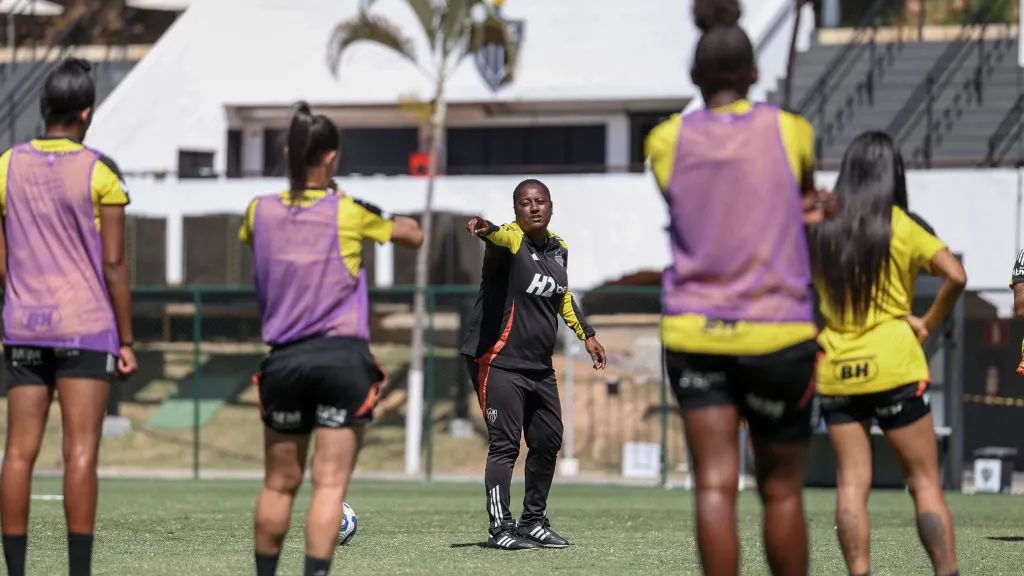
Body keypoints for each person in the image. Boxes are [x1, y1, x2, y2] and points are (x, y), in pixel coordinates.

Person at [644, 0, 835, 574]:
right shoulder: (792, 129)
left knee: (715, 484)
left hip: (696, 331)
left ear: (694, 76)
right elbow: (801, 201)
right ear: (754, 73)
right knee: (780, 491)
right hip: (779, 332)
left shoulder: (664, 141)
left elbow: (696, 208)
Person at [241, 102, 423, 576]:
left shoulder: (258, 212)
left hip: (284, 363)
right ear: (331, 158)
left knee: (279, 485)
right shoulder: (347, 212)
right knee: (328, 486)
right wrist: (359, 207)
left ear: (288, 152)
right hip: (343, 360)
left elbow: (259, 237)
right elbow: (412, 234)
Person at [0, 58, 137, 576]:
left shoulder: (5, 166)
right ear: (86, 113)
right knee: (79, 453)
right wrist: (126, 339)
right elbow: (115, 262)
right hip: (86, 328)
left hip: (24, 326)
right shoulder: (102, 171)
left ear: (43, 108)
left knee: (18, 453)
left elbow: (3, 258)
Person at [808, 131, 966, 576]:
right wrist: (927, 322)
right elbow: (956, 276)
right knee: (924, 483)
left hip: (838, 367)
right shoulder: (900, 223)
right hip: (895, 363)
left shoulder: (821, 229)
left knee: (851, 486)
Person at [460, 178, 606, 551]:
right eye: (525, 202)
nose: (534, 207)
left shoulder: (559, 249)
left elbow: (563, 297)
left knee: (547, 440)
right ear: (516, 210)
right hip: (500, 362)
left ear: (551, 205)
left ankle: (533, 522)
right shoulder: (511, 239)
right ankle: (500, 528)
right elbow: (496, 235)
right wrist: (484, 228)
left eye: (540, 201)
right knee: (505, 445)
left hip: (539, 368)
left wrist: (586, 334)